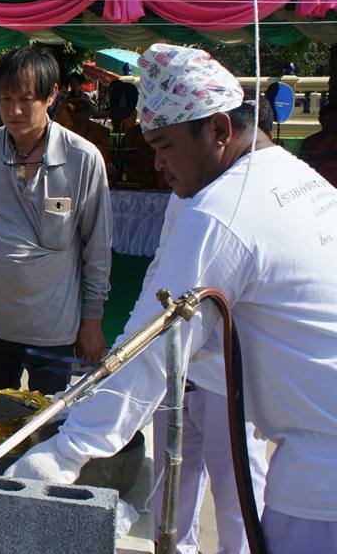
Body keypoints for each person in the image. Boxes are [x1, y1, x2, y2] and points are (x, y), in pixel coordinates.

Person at [7, 44, 337, 554]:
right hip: (307, 443)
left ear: (219, 130)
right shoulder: (290, 176)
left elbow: (156, 343)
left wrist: (68, 452)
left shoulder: (224, 209)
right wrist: (82, 403)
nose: (157, 164)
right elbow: (158, 297)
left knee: (237, 514)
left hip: (322, 475)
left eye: (164, 146)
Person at [0, 45, 112, 395]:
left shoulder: (83, 159)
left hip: (54, 330)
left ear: (51, 95)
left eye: (26, 99)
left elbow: (97, 247)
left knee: (49, 430)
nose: (13, 110)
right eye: (4, 98)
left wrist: (92, 321)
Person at [147, 194, 269, 554]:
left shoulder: (250, 192)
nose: (162, 165)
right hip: (176, 363)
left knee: (236, 490)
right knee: (172, 480)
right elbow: (162, 260)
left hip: (227, 376)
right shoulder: (180, 192)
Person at [300, 104, 337, 186]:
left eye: (335, 118)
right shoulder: (311, 141)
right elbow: (303, 164)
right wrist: (324, 157)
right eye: (327, 118)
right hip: (318, 183)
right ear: (320, 120)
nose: (331, 121)